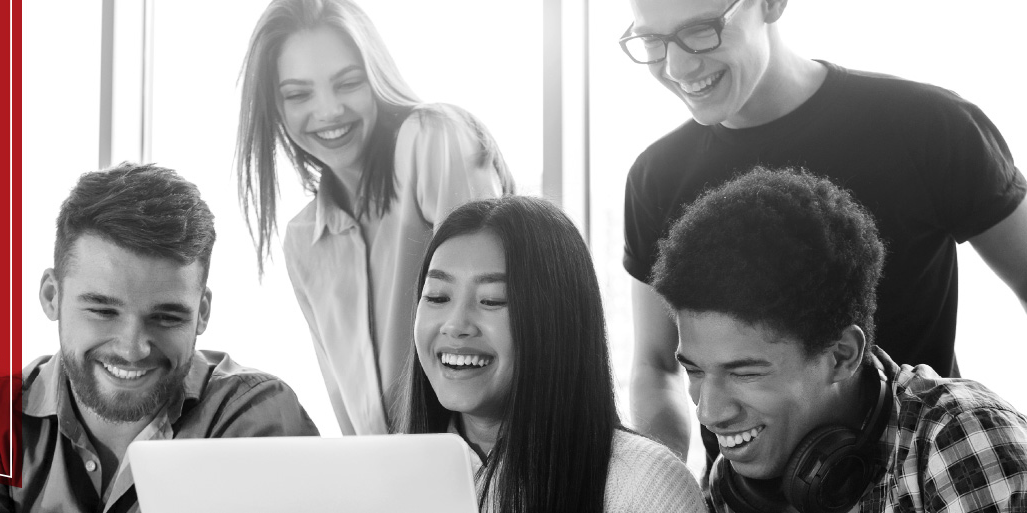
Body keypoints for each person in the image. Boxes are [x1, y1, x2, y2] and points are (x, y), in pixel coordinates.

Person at [618, 0, 1027, 462]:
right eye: (652, 40)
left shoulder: (929, 126)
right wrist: (666, 490)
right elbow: (657, 364)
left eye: (701, 30)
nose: (676, 65)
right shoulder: (657, 177)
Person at [0, 163, 320, 513]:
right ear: (51, 296)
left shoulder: (254, 416)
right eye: (102, 311)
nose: (133, 347)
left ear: (202, 313)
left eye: (167, 317)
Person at [655, 168, 1027, 512]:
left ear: (842, 356)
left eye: (744, 373)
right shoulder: (735, 482)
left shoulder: (962, 439)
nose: (709, 413)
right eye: (695, 372)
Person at [236, 0, 516, 436]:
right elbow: (353, 419)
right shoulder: (303, 240)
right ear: (274, 107)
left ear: (376, 76)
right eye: (298, 94)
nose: (328, 111)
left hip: (490, 460)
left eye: (348, 83)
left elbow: (501, 313)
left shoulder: (430, 141)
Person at [400, 195, 703, 512]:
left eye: (491, 300)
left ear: (556, 319)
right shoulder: (386, 475)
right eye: (437, 296)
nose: (456, 324)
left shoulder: (644, 485)